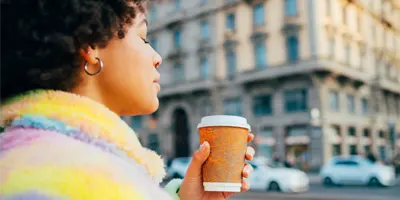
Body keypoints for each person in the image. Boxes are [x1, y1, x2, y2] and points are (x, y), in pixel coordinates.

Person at [0, 1, 255, 200]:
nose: (157, 57)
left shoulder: (25, 155)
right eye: (143, 38)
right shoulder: (94, 178)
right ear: (91, 46)